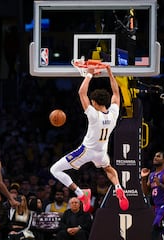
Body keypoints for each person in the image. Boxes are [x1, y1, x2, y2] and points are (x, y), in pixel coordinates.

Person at [50, 65, 129, 212]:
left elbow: (81, 92)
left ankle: (81, 194)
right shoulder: (113, 113)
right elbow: (116, 93)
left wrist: (89, 74)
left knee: (54, 170)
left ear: (94, 102)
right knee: (109, 169)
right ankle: (118, 187)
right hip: (101, 151)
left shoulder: (94, 115)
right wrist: (110, 74)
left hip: (86, 151)